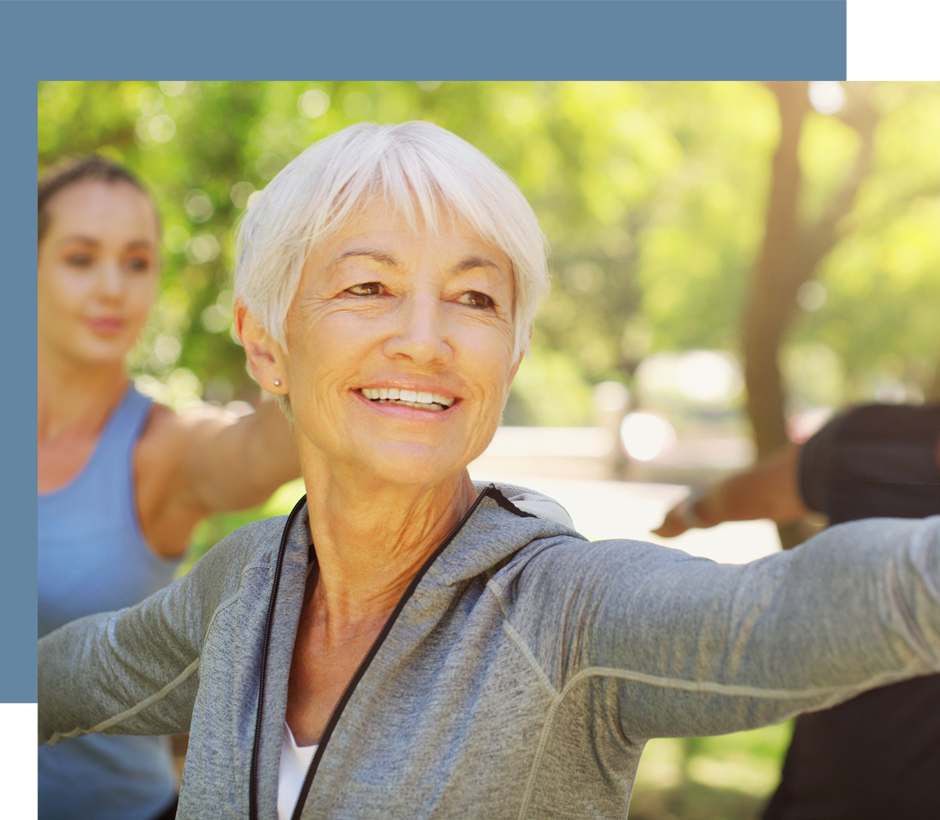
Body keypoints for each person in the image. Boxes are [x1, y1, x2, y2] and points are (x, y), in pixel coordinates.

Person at [37, 123, 940, 820]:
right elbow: (70, 676)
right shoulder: (241, 587)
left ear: (508, 358)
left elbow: (782, 612)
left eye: (475, 298)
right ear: (266, 344)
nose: (425, 340)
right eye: (368, 287)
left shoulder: (567, 612)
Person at [34, 156, 301, 820]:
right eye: (80, 258)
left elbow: (264, 447)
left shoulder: (166, 452)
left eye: (136, 262)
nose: (112, 288)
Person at [655, 402, 940, 820]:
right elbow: (755, 493)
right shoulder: (868, 440)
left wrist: (693, 512)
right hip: (835, 783)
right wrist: (691, 512)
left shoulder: (868, 439)